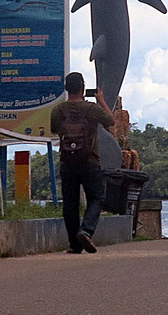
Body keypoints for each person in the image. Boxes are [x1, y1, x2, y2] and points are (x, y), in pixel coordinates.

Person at [49, 71, 114, 254]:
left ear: (66, 89)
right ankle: (86, 231)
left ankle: (74, 245)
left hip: (67, 161)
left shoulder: (58, 110)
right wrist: (100, 99)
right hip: (90, 160)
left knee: (70, 203)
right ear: (83, 88)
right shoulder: (92, 109)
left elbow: (54, 130)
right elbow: (111, 120)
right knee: (96, 198)